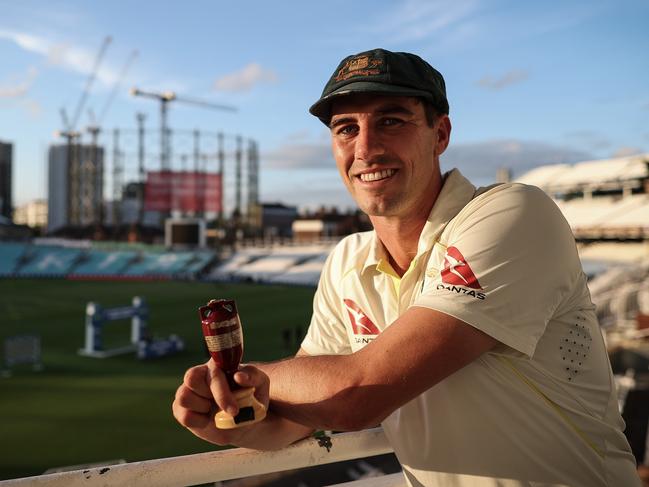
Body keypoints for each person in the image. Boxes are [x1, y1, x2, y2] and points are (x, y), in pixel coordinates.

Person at [173, 48, 640, 486]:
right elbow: (299, 415)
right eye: (345, 129)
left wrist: (249, 378)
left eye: (391, 121)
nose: (366, 148)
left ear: (440, 134)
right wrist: (230, 417)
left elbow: (355, 396)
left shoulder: (515, 213)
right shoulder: (346, 261)